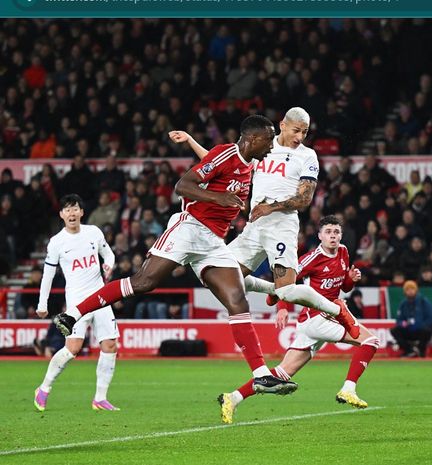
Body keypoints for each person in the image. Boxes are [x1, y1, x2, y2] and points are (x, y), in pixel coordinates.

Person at [54, 115, 296, 395]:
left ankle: (261, 375)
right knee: (144, 283)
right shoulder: (226, 153)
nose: (271, 145)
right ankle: (71, 315)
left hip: (213, 242)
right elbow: (183, 186)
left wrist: (228, 199)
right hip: (189, 228)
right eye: (268, 139)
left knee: (237, 300)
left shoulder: (248, 161)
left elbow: (213, 164)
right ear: (253, 139)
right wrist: (220, 199)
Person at [169, 107, 360, 339]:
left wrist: (270, 206)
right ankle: (271, 289)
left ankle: (337, 310)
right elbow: (223, 162)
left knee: (288, 292)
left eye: (305, 132)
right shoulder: (264, 147)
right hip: (255, 225)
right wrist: (190, 140)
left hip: (281, 224)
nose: (300, 137)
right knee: (214, 275)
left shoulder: (307, 156)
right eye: (296, 130)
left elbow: (305, 198)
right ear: (283, 125)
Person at [218, 216, 379, 424]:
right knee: (370, 341)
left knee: (282, 374)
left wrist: (351, 279)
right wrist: (282, 308)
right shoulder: (310, 259)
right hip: (317, 317)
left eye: (336, 232)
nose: (333, 236)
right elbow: (285, 283)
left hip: (319, 319)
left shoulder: (344, 252)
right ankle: (348, 389)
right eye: (328, 232)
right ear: (320, 236)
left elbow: (343, 287)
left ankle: (232, 398)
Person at [34, 194, 120, 412]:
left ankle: (100, 398)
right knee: (72, 348)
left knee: (110, 344)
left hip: (101, 297)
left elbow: (108, 254)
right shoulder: (57, 243)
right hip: (76, 302)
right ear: (61, 215)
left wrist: (109, 265)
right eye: (67, 210)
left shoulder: (94, 232)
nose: (71, 213)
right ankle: (44, 388)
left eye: (75, 209)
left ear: (81, 212)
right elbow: (48, 275)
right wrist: (42, 304)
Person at [390, 280, 432, 358]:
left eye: (412, 289)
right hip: (408, 330)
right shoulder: (403, 304)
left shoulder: (423, 302)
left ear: (416, 290)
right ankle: (409, 350)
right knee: (394, 330)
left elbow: (431, 318)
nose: (410, 291)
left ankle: (421, 351)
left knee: (427, 330)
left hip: (421, 330)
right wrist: (403, 324)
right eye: (408, 290)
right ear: (405, 292)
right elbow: (399, 320)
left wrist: (420, 325)